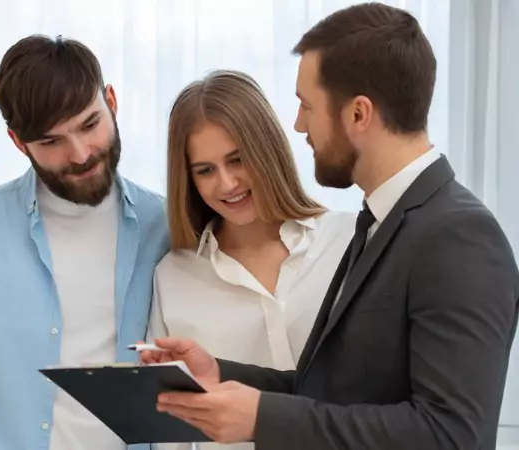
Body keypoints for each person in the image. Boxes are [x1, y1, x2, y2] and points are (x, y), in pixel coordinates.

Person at [141, 3, 519, 449]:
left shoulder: (459, 236)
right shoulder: (379, 225)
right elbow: (332, 392)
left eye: (306, 105)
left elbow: (452, 436)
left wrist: (264, 419)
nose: (298, 124)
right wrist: (220, 374)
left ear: (358, 114)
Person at [0, 35, 169, 450]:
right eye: (51, 141)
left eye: (89, 124)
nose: (80, 154)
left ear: (111, 101)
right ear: (18, 142)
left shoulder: (166, 225)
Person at [147, 70, 355, 449]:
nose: (227, 184)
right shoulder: (174, 277)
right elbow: (171, 429)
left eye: (237, 159)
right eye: (205, 170)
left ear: (267, 149)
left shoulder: (349, 243)